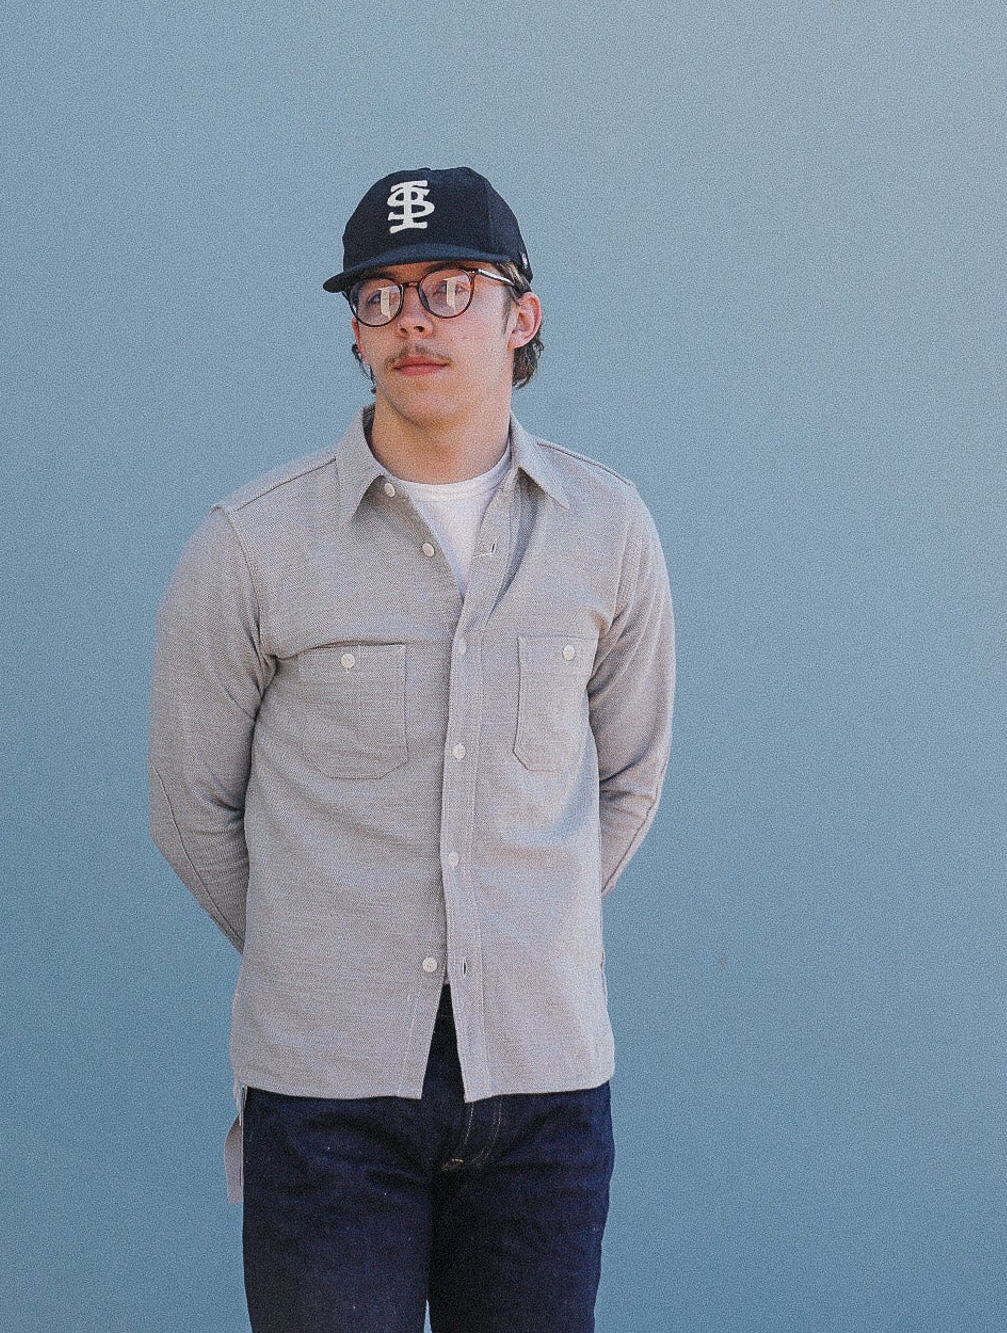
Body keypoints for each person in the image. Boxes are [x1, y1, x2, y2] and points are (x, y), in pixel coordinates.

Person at [148, 166, 675, 1333]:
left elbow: (629, 776)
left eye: (449, 287)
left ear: (520, 315)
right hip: (326, 1098)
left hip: (542, 1089)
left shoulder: (609, 529)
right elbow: (191, 810)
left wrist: (519, 934)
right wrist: (325, 945)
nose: (414, 320)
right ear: (354, 333)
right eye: (379, 298)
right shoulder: (252, 543)